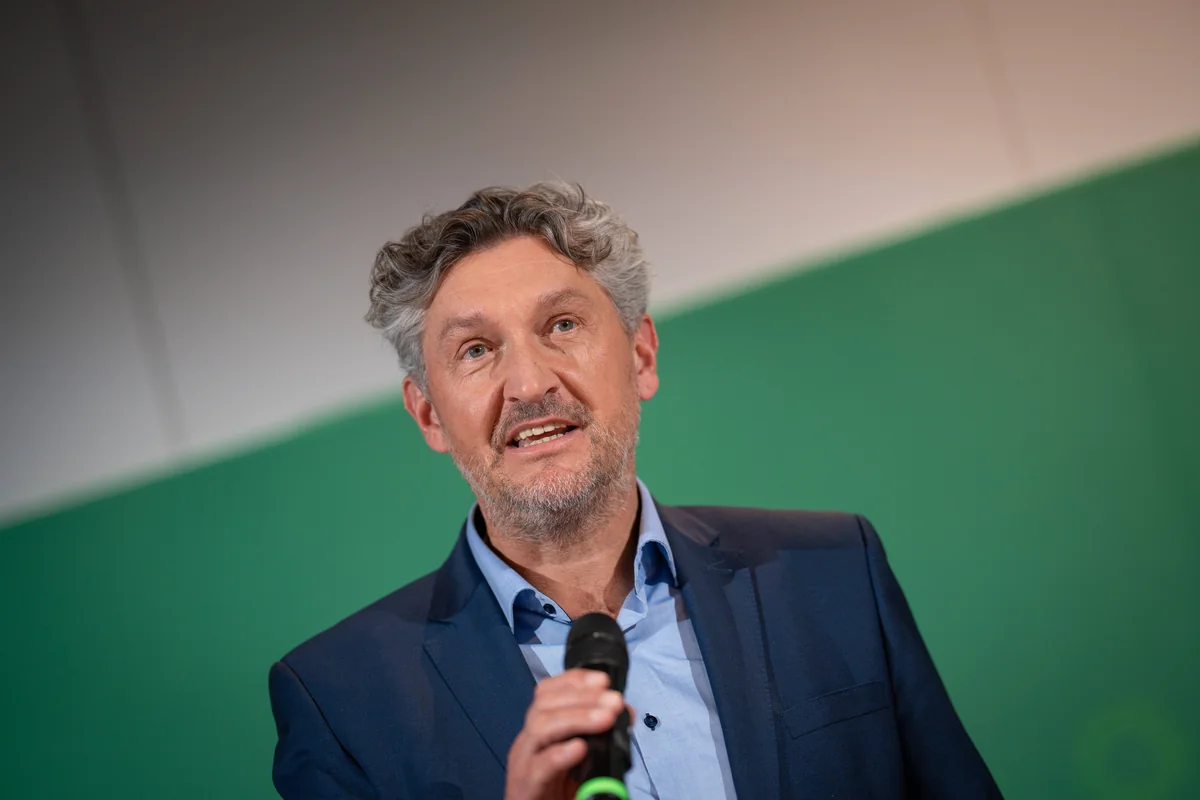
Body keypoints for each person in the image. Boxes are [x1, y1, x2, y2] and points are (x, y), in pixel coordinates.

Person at [268, 182, 1002, 799]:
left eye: (562, 325)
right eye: (476, 349)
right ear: (428, 413)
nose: (529, 383)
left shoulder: (835, 572)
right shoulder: (340, 702)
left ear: (642, 355)